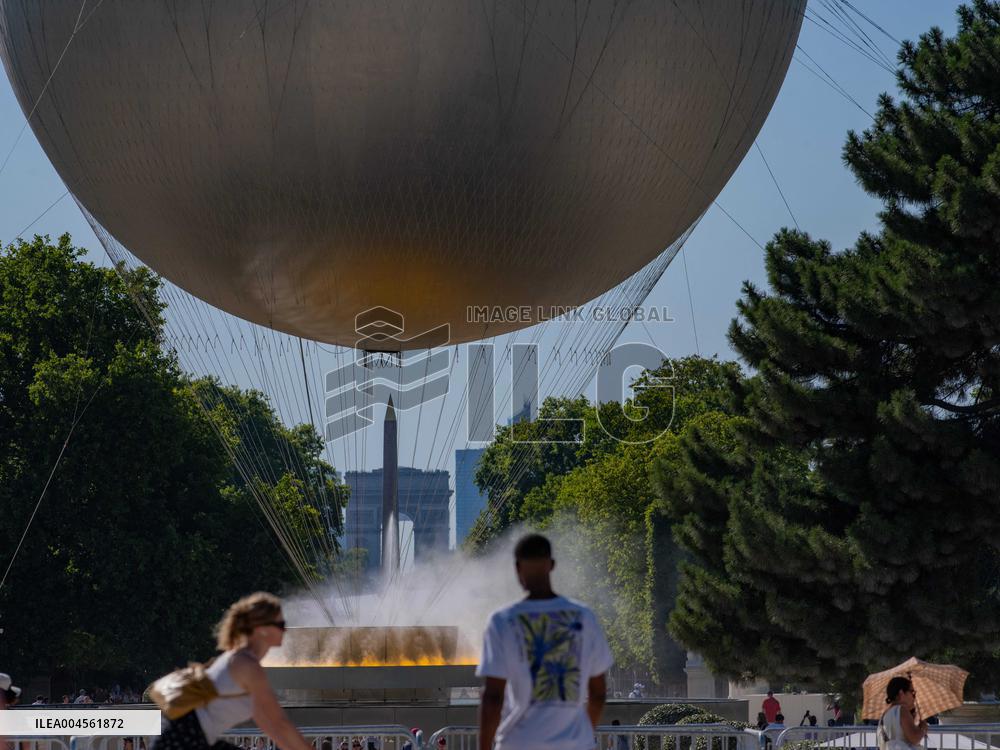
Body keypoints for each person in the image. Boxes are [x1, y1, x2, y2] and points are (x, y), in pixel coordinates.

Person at [477, 534, 613, 750]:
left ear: (518, 568)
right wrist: (582, 735)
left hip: (519, 743)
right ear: (551, 565)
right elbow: (597, 693)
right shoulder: (584, 617)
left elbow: (493, 697)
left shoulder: (502, 621)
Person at [151, 591, 314, 750]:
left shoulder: (240, 658)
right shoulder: (248, 666)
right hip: (185, 739)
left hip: (183, 735)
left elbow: (271, 727)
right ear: (261, 629)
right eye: (280, 625)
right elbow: (280, 723)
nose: (285, 630)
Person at [878, 676, 928, 750]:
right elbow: (914, 738)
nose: (914, 696)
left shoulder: (886, 713)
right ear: (901, 693)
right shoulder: (901, 710)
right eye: (912, 692)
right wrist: (923, 727)